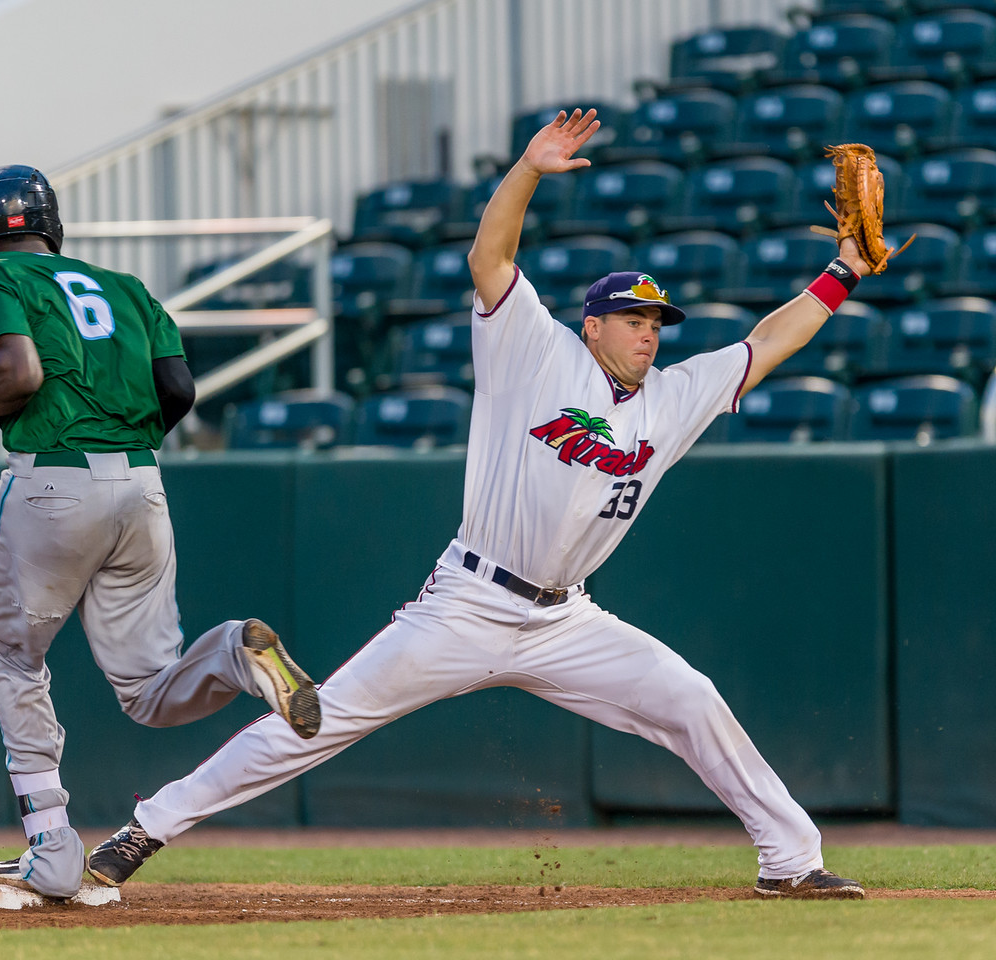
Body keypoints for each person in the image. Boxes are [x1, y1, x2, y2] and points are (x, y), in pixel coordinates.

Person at [86, 110, 868, 900]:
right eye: (634, 319)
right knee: (323, 719)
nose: (650, 334)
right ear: (592, 325)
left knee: (690, 698)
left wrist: (843, 272)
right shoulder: (534, 346)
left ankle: (791, 861)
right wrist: (528, 169)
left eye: (658, 321)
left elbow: (767, 342)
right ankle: (144, 829)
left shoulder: (675, 395)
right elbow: (488, 255)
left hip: (567, 620)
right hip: (468, 601)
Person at [0, 165, 322, 900]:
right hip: (141, 482)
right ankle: (235, 653)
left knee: (15, 660)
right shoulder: (127, 287)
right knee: (148, 687)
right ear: (50, 220)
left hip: (51, 479)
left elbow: (20, 373)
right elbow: (179, 391)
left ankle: (51, 846)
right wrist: (120, 455)